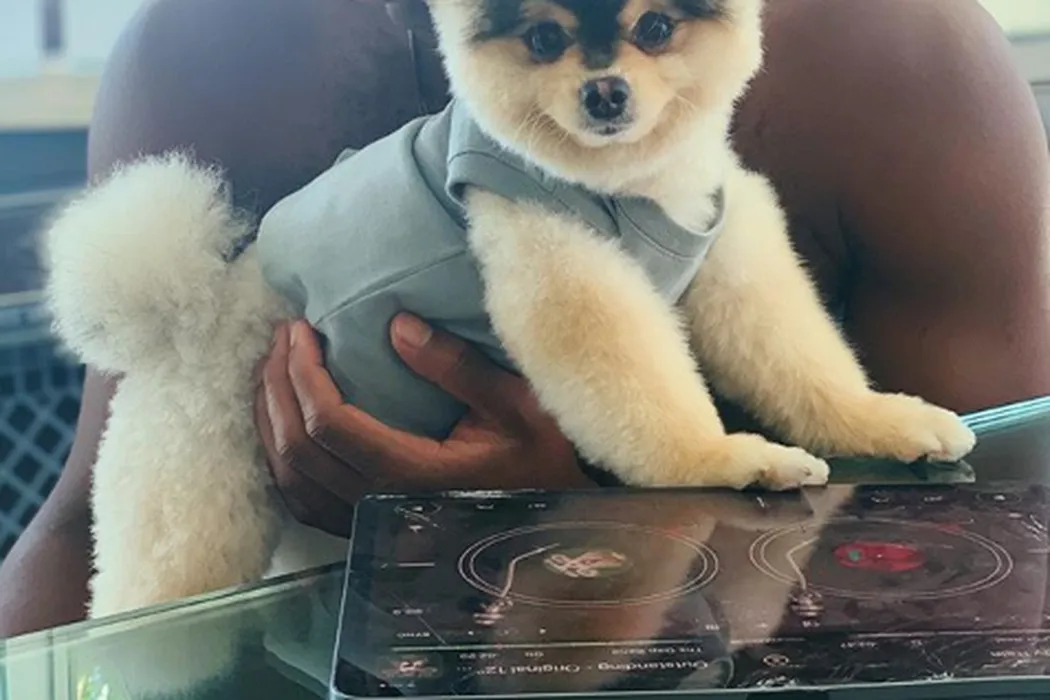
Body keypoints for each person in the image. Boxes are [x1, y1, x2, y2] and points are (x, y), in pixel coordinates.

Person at [1, 0, 1047, 638]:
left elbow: (1004, 539)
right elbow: (92, 520)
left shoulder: (892, 55)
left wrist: (593, 520)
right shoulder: (212, 48)